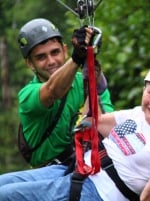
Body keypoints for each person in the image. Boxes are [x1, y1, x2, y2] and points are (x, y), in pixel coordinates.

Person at [0, 59, 150, 201]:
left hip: (97, 193)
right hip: (76, 170)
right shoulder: (136, 115)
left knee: (6, 196)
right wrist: (91, 82)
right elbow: (95, 121)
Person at [16, 18, 114, 167]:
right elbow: (53, 91)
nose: (51, 61)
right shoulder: (28, 96)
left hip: (88, 165)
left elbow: (107, 127)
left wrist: (91, 68)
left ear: (65, 50)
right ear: (30, 64)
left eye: (55, 52)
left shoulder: (85, 81)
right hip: (47, 173)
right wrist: (77, 58)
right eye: (41, 57)